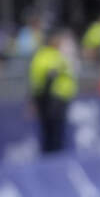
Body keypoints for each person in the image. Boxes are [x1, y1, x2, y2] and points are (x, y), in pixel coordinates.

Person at [28, 27, 78, 155]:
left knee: (53, 132)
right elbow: (48, 76)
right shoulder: (49, 55)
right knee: (53, 132)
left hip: (52, 99)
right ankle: (52, 160)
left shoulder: (47, 55)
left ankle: (53, 158)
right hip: (52, 100)